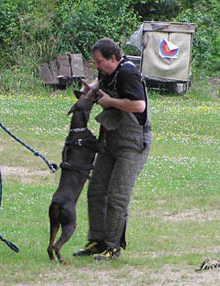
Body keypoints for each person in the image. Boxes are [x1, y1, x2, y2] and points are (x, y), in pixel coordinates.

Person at [73, 38, 152, 261]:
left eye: (99, 62)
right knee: (96, 190)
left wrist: (110, 102)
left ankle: (112, 246)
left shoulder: (128, 73)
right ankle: (97, 241)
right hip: (110, 138)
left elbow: (139, 105)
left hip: (132, 141)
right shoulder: (109, 72)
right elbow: (99, 82)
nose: (97, 66)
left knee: (117, 195)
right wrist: (89, 91)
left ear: (113, 58)